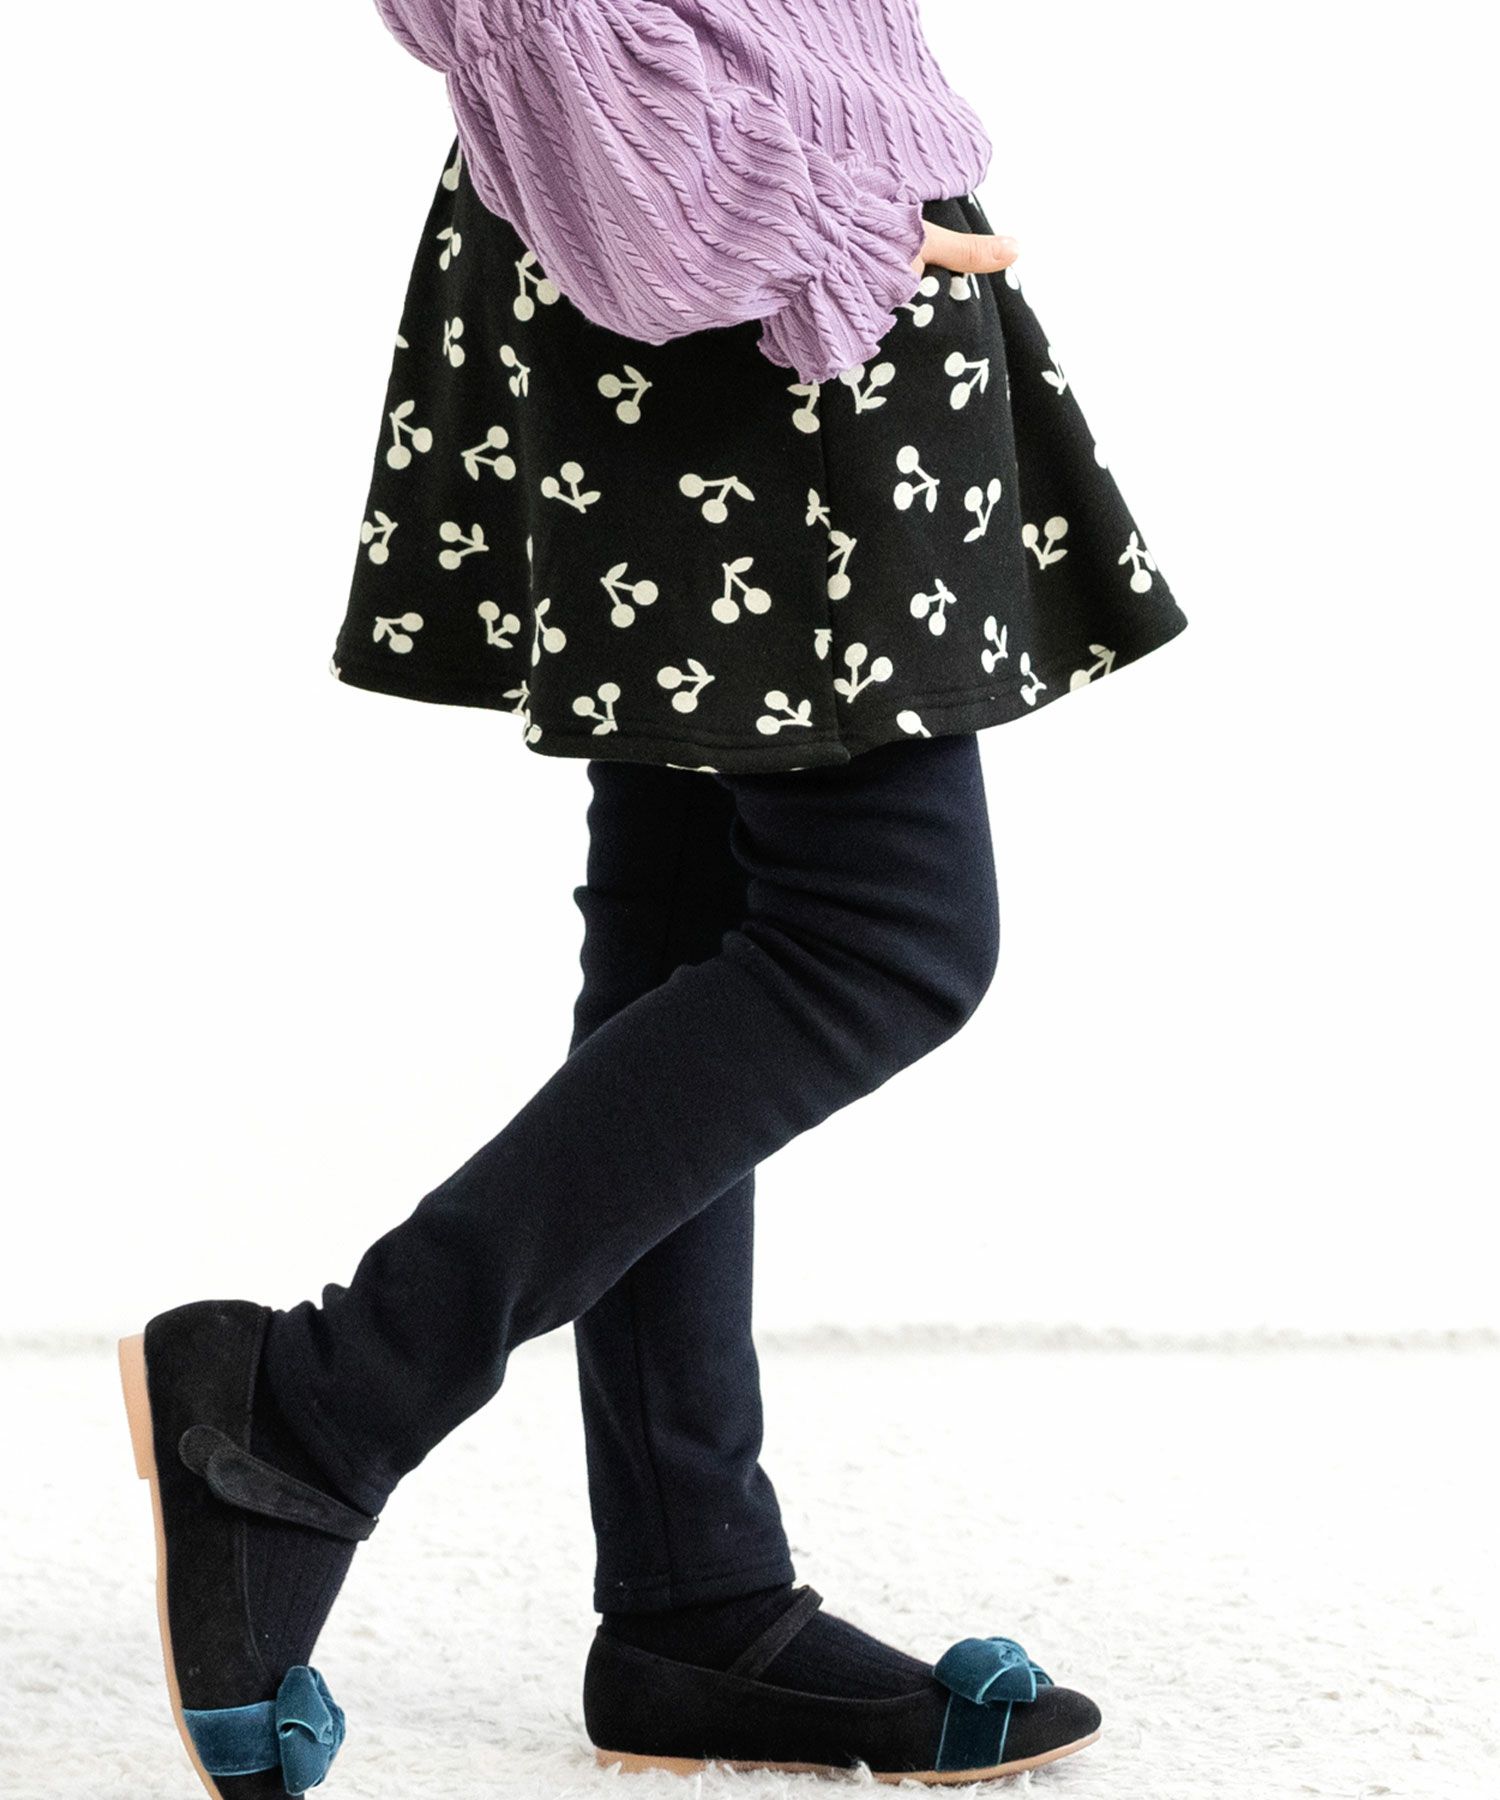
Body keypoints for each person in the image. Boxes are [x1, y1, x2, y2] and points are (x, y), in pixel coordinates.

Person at [118, 0, 1188, 1791]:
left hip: (716, 224)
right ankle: (314, 1404)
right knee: (885, 939)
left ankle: (697, 1603)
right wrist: (774, 209)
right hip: (731, 261)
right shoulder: (743, 219)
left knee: (688, 936)